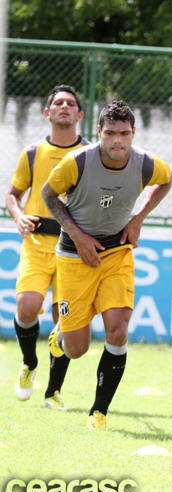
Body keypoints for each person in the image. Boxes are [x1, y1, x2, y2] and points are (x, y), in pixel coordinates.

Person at [42, 100, 172, 430]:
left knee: (117, 330)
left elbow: (168, 179)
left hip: (117, 253)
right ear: (98, 132)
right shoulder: (77, 162)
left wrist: (139, 218)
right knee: (76, 349)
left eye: (125, 133)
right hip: (74, 256)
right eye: (111, 133)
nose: (118, 140)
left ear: (133, 133)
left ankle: (98, 413)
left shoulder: (145, 163)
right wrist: (77, 235)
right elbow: (48, 194)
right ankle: (61, 334)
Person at [8, 85, 90, 409]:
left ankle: (53, 393)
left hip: (72, 249)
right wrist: (17, 215)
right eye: (58, 103)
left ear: (80, 115)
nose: (65, 107)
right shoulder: (32, 153)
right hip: (36, 243)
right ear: (48, 113)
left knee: (64, 322)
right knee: (27, 307)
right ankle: (29, 362)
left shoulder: (90, 155)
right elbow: (13, 195)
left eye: (71, 103)